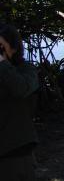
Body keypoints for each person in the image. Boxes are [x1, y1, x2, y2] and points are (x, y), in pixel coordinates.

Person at [0, 23, 39, 181]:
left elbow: (20, 89)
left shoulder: (27, 70)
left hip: (16, 153)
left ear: (14, 48)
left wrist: (1, 63)